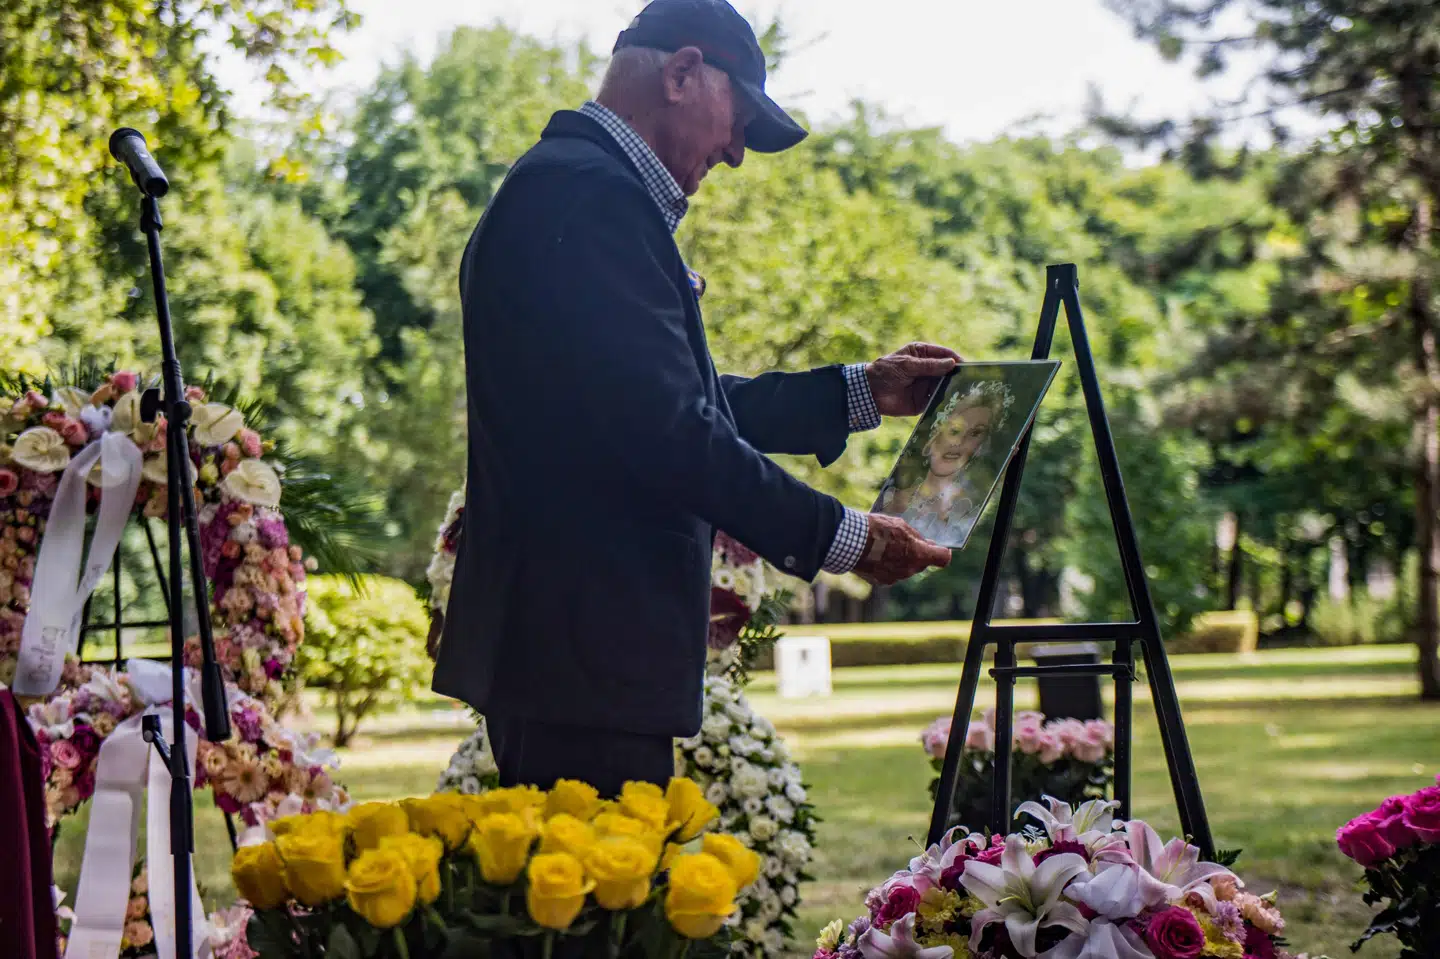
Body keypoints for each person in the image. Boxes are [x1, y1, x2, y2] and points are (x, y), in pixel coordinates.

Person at [433, 0, 958, 797]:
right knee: (597, 918)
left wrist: (860, 390)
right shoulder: (590, 199)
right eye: (740, 117)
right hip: (583, 661)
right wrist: (846, 538)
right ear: (682, 73)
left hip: (576, 662)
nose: (739, 152)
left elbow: (671, 402)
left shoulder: (573, 189)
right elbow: (669, 432)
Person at [877, 381, 1012, 544]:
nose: (959, 442)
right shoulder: (889, 500)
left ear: (981, 447)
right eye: (955, 431)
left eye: (975, 434)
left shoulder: (970, 516)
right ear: (934, 436)